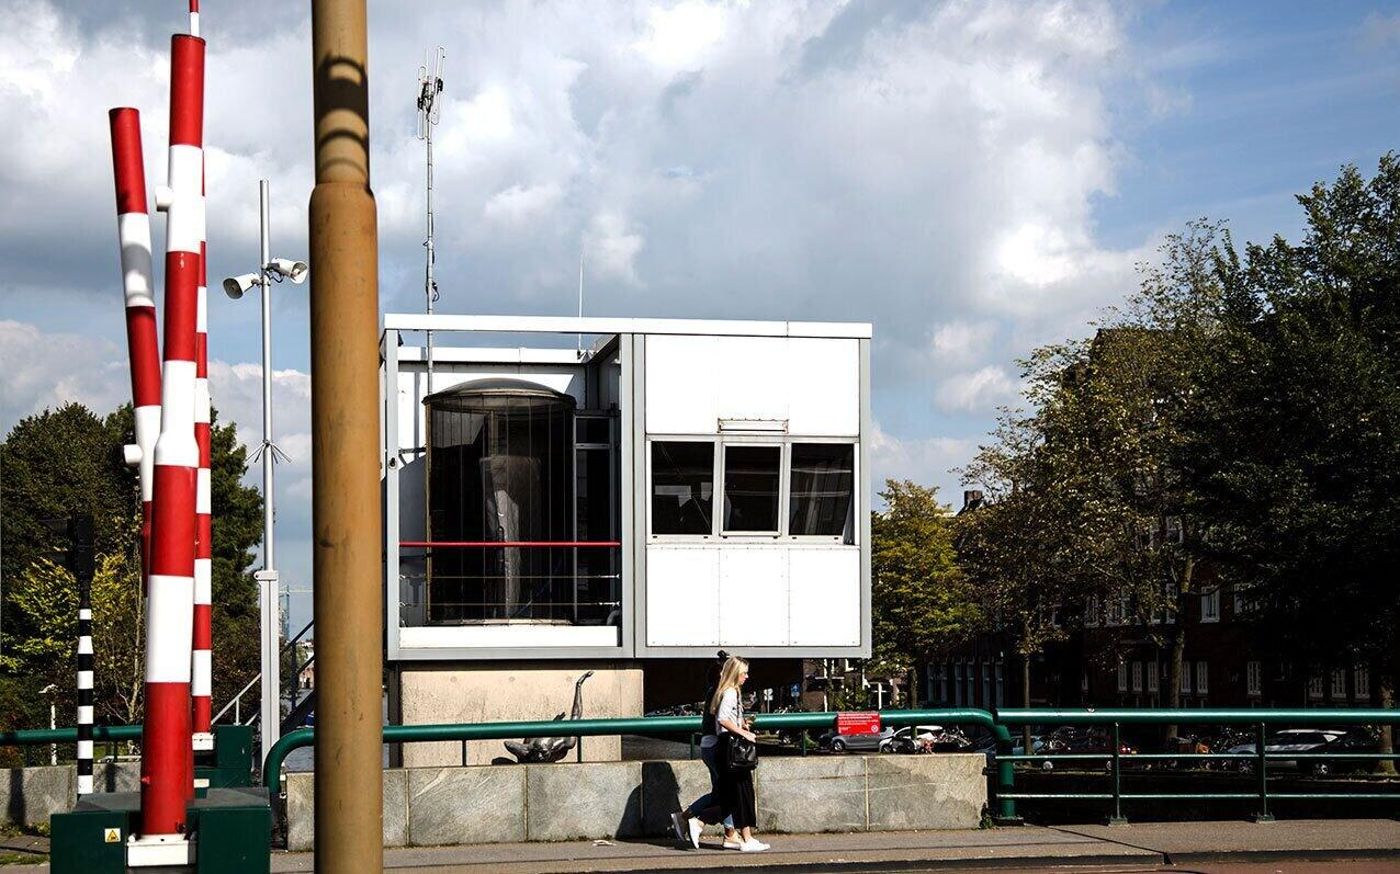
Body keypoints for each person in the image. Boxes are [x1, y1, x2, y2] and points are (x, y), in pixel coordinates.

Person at [671, 652, 737, 849]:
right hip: (717, 746)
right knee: (728, 792)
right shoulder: (723, 691)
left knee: (721, 792)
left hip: (708, 745)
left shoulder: (712, 691)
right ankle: (702, 823)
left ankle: (688, 818)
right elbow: (722, 722)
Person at [712, 656, 767, 852]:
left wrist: (741, 723)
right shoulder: (730, 693)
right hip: (732, 749)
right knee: (742, 792)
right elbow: (722, 719)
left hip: (725, 747)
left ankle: (739, 836)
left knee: (734, 794)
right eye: (744, 673)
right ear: (735, 674)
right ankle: (746, 838)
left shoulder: (728, 692)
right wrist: (744, 733)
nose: (747, 676)